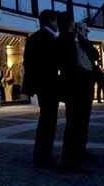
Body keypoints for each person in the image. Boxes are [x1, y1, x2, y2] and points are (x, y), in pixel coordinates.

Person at [23, 10, 62, 168]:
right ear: (51, 21)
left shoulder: (34, 37)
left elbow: (28, 63)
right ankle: (44, 155)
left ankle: (41, 154)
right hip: (49, 84)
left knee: (46, 119)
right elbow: (55, 62)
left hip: (40, 85)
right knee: (49, 120)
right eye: (56, 21)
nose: (57, 24)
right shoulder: (50, 39)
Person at [59, 18, 98, 168]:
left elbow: (94, 55)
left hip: (82, 87)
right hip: (76, 87)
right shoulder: (69, 41)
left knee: (81, 121)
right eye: (84, 29)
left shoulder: (76, 41)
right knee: (75, 122)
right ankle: (71, 156)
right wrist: (82, 38)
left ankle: (79, 150)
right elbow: (92, 55)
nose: (87, 31)